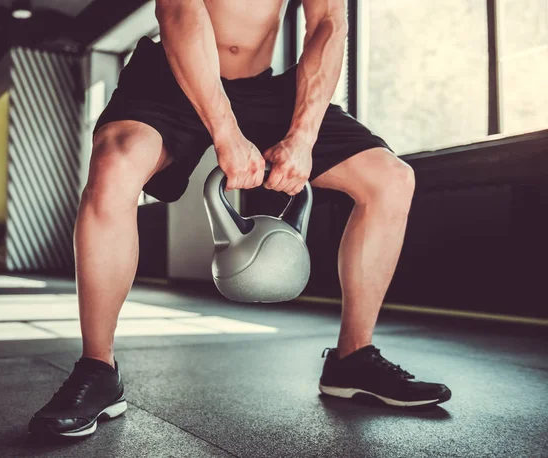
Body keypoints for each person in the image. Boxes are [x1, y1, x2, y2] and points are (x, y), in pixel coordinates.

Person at [29, 0, 451, 438]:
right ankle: (98, 369)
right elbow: (177, 12)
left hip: (265, 88)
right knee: (116, 161)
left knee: (391, 179)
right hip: (169, 76)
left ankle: (352, 359)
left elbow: (327, 22)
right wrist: (226, 132)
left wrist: (303, 136)